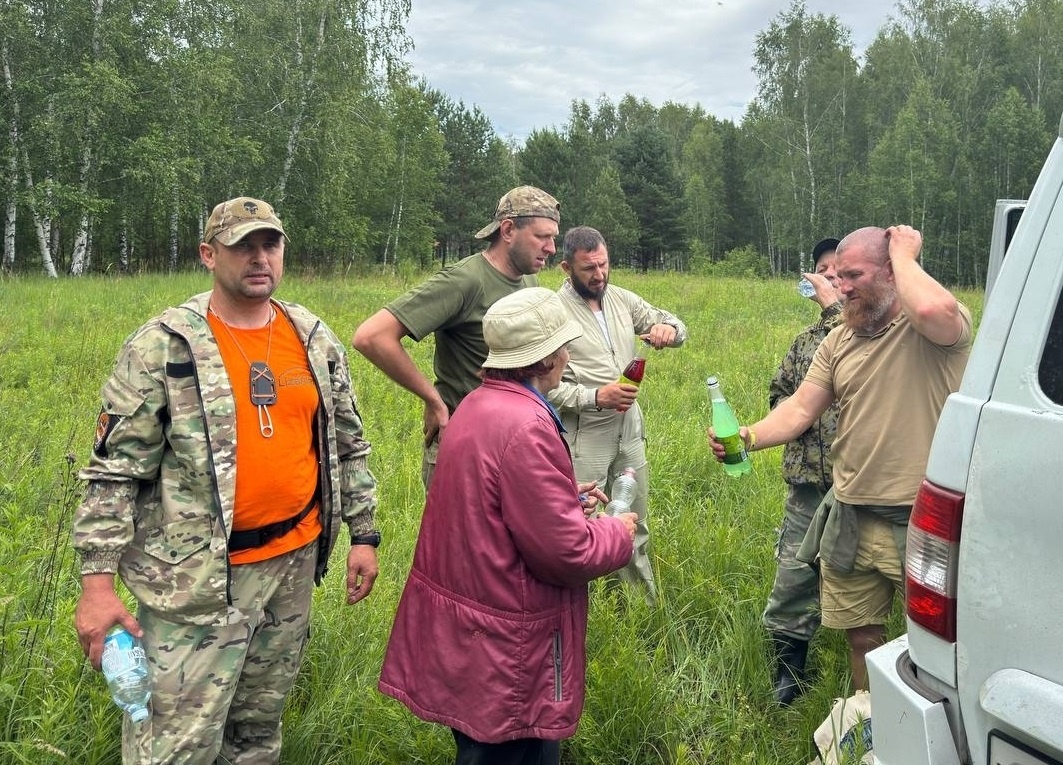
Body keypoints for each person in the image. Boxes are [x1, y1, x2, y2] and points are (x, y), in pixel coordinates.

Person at [72, 196, 380, 764]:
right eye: (243, 247)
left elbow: (346, 441)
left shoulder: (310, 336)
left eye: (270, 244)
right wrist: (96, 585)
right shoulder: (165, 346)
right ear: (209, 255)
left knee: (256, 732)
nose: (259, 258)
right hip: (198, 585)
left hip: (291, 567)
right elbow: (114, 471)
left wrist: (364, 534)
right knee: (174, 745)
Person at [378, 287, 636, 765]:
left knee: (479, 749)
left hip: (476, 633)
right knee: (518, 750)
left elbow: (490, 501)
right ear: (547, 358)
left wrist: (560, 494)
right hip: (512, 646)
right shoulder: (528, 426)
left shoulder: (478, 403)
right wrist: (618, 529)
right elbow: (569, 553)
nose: (567, 355)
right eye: (564, 346)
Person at [708, 225, 972, 692]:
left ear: (891, 273)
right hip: (850, 511)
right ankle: (868, 721)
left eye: (853, 275)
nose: (839, 286)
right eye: (838, 276)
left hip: (921, 522)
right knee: (862, 636)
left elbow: (933, 306)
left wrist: (905, 253)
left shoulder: (933, 331)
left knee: (936, 645)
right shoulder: (839, 340)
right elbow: (798, 409)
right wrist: (747, 436)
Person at [352, 185, 560, 489]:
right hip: (465, 445)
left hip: (512, 441)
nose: (552, 248)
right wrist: (433, 400)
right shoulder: (466, 280)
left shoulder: (528, 278)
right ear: (507, 230)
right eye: (542, 237)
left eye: (553, 238)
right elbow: (371, 336)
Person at [546, 226, 686, 607]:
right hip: (584, 434)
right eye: (588, 268)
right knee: (582, 526)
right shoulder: (553, 313)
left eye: (604, 264)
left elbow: (679, 327)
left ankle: (639, 609)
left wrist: (666, 329)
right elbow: (543, 387)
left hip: (629, 429)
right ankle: (580, 614)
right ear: (565, 267)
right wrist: (595, 397)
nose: (599, 275)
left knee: (633, 521)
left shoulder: (622, 300)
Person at [765, 237, 842, 705]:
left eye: (839, 270)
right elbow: (779, 393)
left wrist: (834, 308)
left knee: (865, 574)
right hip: (808, 483)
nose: (829, 277)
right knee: (794, 574)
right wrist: (795, 414)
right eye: (822, 269)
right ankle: (789, 672)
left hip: (860, 483)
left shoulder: (878, 335)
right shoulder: (804, 343)